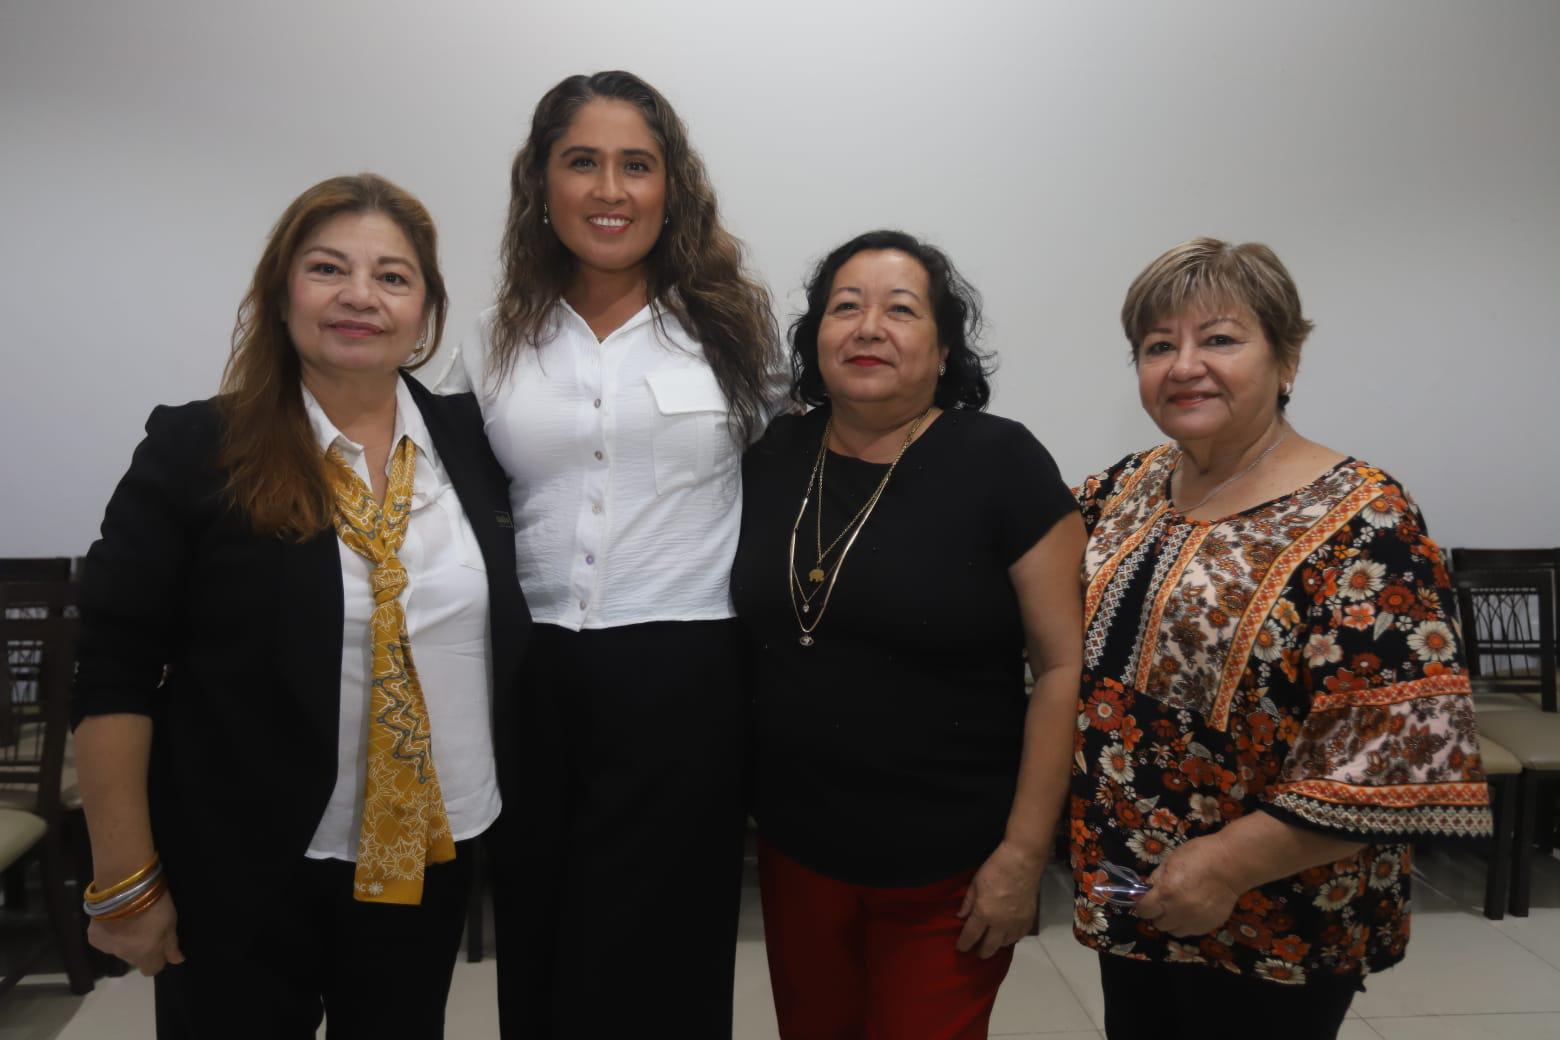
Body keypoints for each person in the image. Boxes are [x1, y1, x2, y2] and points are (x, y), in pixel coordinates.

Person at [71, 173, 529, 1039]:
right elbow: (114, 672)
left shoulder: (476, 445)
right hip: (242, 864)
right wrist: (125, 878)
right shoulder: (197, 448)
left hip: (429, 853)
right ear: (281, 293)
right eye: (329, 269)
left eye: (393, 277)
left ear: (426, 312)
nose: (361, 296)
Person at [1070, 237, 1492, 1040]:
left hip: (1278, 907)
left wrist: (1225, 866)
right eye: (1159, 346)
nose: (1185, 364)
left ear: (1287, 357)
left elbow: (1399, 748)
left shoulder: (1365, 518)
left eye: (1219, 339)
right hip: (1137, 887)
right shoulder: (1127, 490)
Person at [438, 71, 781, 1037]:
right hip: (534, 676)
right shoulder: (492, 339)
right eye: (581, 162)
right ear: (541, 184)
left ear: (672, 188)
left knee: (664, 949)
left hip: (685, 677)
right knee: (542, 934)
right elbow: (445, 496)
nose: (609, 189)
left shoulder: (733, 334)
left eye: (637, 165)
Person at [730, 230, 1084, 1040]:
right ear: (814, 335)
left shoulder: (1002, 462)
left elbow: (1063, 666)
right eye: (844, 307)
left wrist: (1025, 856)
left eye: (900, 309)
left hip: (950, 867)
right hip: (796, 852)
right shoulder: (773, 455)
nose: (867, 327)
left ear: (943, 344)